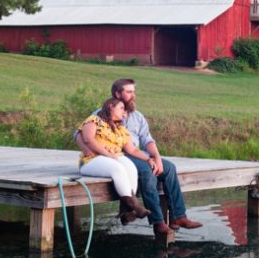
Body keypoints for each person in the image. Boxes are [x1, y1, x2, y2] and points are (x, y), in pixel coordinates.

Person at [110, 78, 202, 235]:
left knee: (169, 168)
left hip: (137, 153)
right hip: (119, 156)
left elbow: (147, 140)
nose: (134, 95)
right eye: (129, 92)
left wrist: (157, 157)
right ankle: (158, 222)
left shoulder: (137, 116)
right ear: (117, 93)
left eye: (134, 91)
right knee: (147, 170)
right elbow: (81, 132)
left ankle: (178, 217)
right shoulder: (104, 113)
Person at [75, 97, 150, 222]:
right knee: (118, 168)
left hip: (113, 158)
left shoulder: (120, 130)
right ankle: (135, 205)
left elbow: (132, 150)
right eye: (121, 108)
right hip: (91, 160)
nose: (124, 112)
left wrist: (148, 160)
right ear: (111, 106)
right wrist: (107, 154)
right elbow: (88, 139)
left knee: (131, 168)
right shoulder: (94, 120)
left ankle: (126, 210)